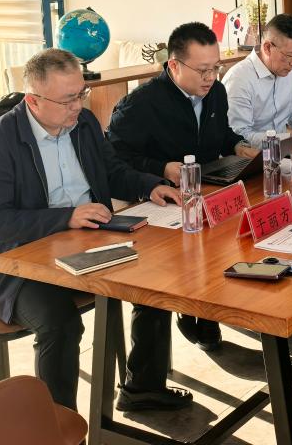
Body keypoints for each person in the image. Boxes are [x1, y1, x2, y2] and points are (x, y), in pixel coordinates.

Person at [0, 49, 190, 412]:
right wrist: (65, 218)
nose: (78, 106)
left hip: (93, 241)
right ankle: (60, 427)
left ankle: (142, 389)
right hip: (27, 263)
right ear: (33, 101)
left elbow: (112, 171)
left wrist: (149, 185)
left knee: (158, 278)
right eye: (68, 99)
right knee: (60, 323)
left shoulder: (83, 123)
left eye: (81, 94)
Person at [106, 21, 258, 357]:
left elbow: (220, 134)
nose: (211, 77)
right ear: (174, 65)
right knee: (154, 285)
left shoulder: (215, 92)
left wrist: (238, 146)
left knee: (231, 242)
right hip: (158, 202)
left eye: (216, 68)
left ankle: (204, 317)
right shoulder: (140, 104)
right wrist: (161, 168)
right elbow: (113, 158)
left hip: (204, 193)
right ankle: (143, 379)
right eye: (203, 70)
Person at [222, 13, 292, 148]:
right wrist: (288, 138)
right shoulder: (239, 79)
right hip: (251, 156)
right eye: (290, 55)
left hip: (284, 151)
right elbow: (240, 136)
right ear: (267, 48)